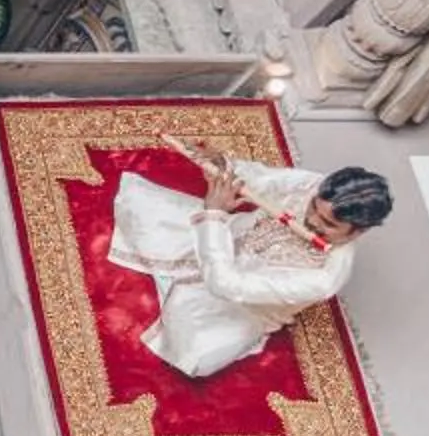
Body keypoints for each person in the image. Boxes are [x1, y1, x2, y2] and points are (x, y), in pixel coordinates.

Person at [106, 141, 394, 378]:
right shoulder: (315, 187)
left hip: (239, 304)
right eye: (314, 209)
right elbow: (264, 179)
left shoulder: (325, 279)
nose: (311, 221)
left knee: (193, 353)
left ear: (358, 231)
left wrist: (212, 216)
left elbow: (226, 285)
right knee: (139, 208)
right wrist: (226, 166)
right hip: (229, 237)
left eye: (328, 224)